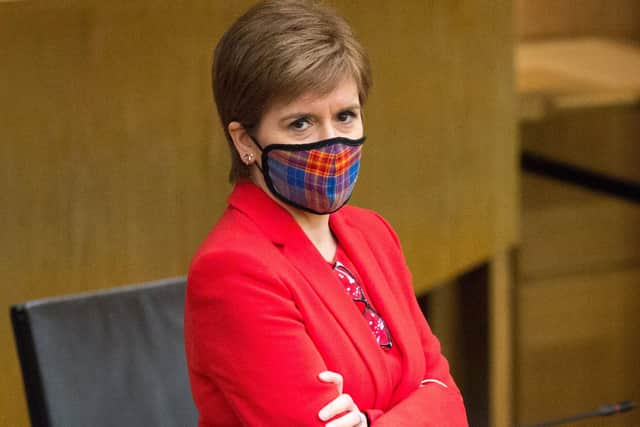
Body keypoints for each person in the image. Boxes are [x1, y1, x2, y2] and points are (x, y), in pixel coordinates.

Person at [184, 1, 469, 426]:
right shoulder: (234, 269)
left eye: (345, 116)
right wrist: (421, 403)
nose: (331, 141)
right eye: (300, 123)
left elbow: (451, 399)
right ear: (245, 140)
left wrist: (371, 423)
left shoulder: (372, 233)